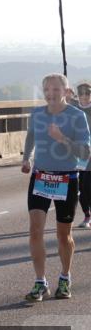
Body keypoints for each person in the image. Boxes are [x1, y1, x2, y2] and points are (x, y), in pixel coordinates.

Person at [22, 73, 90, 302]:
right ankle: (40, 282)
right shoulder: (36, 114)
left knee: (63, 235)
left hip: (66, 179)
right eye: (47, 90)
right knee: (35, 230)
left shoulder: (77, 116)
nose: (51, 94)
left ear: (66, 92)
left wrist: (61, 138)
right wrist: (26, 158)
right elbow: (31, 135)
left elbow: (85, 152)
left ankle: (64, 277)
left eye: (56, 90)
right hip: (40, 176)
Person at [73, 82, 91, 228]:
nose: (84, 96)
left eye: (87, 93)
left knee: (88, 184)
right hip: (79, 154)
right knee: (80, 187)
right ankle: (87, 215)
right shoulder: (74, 109)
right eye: (81, 93)